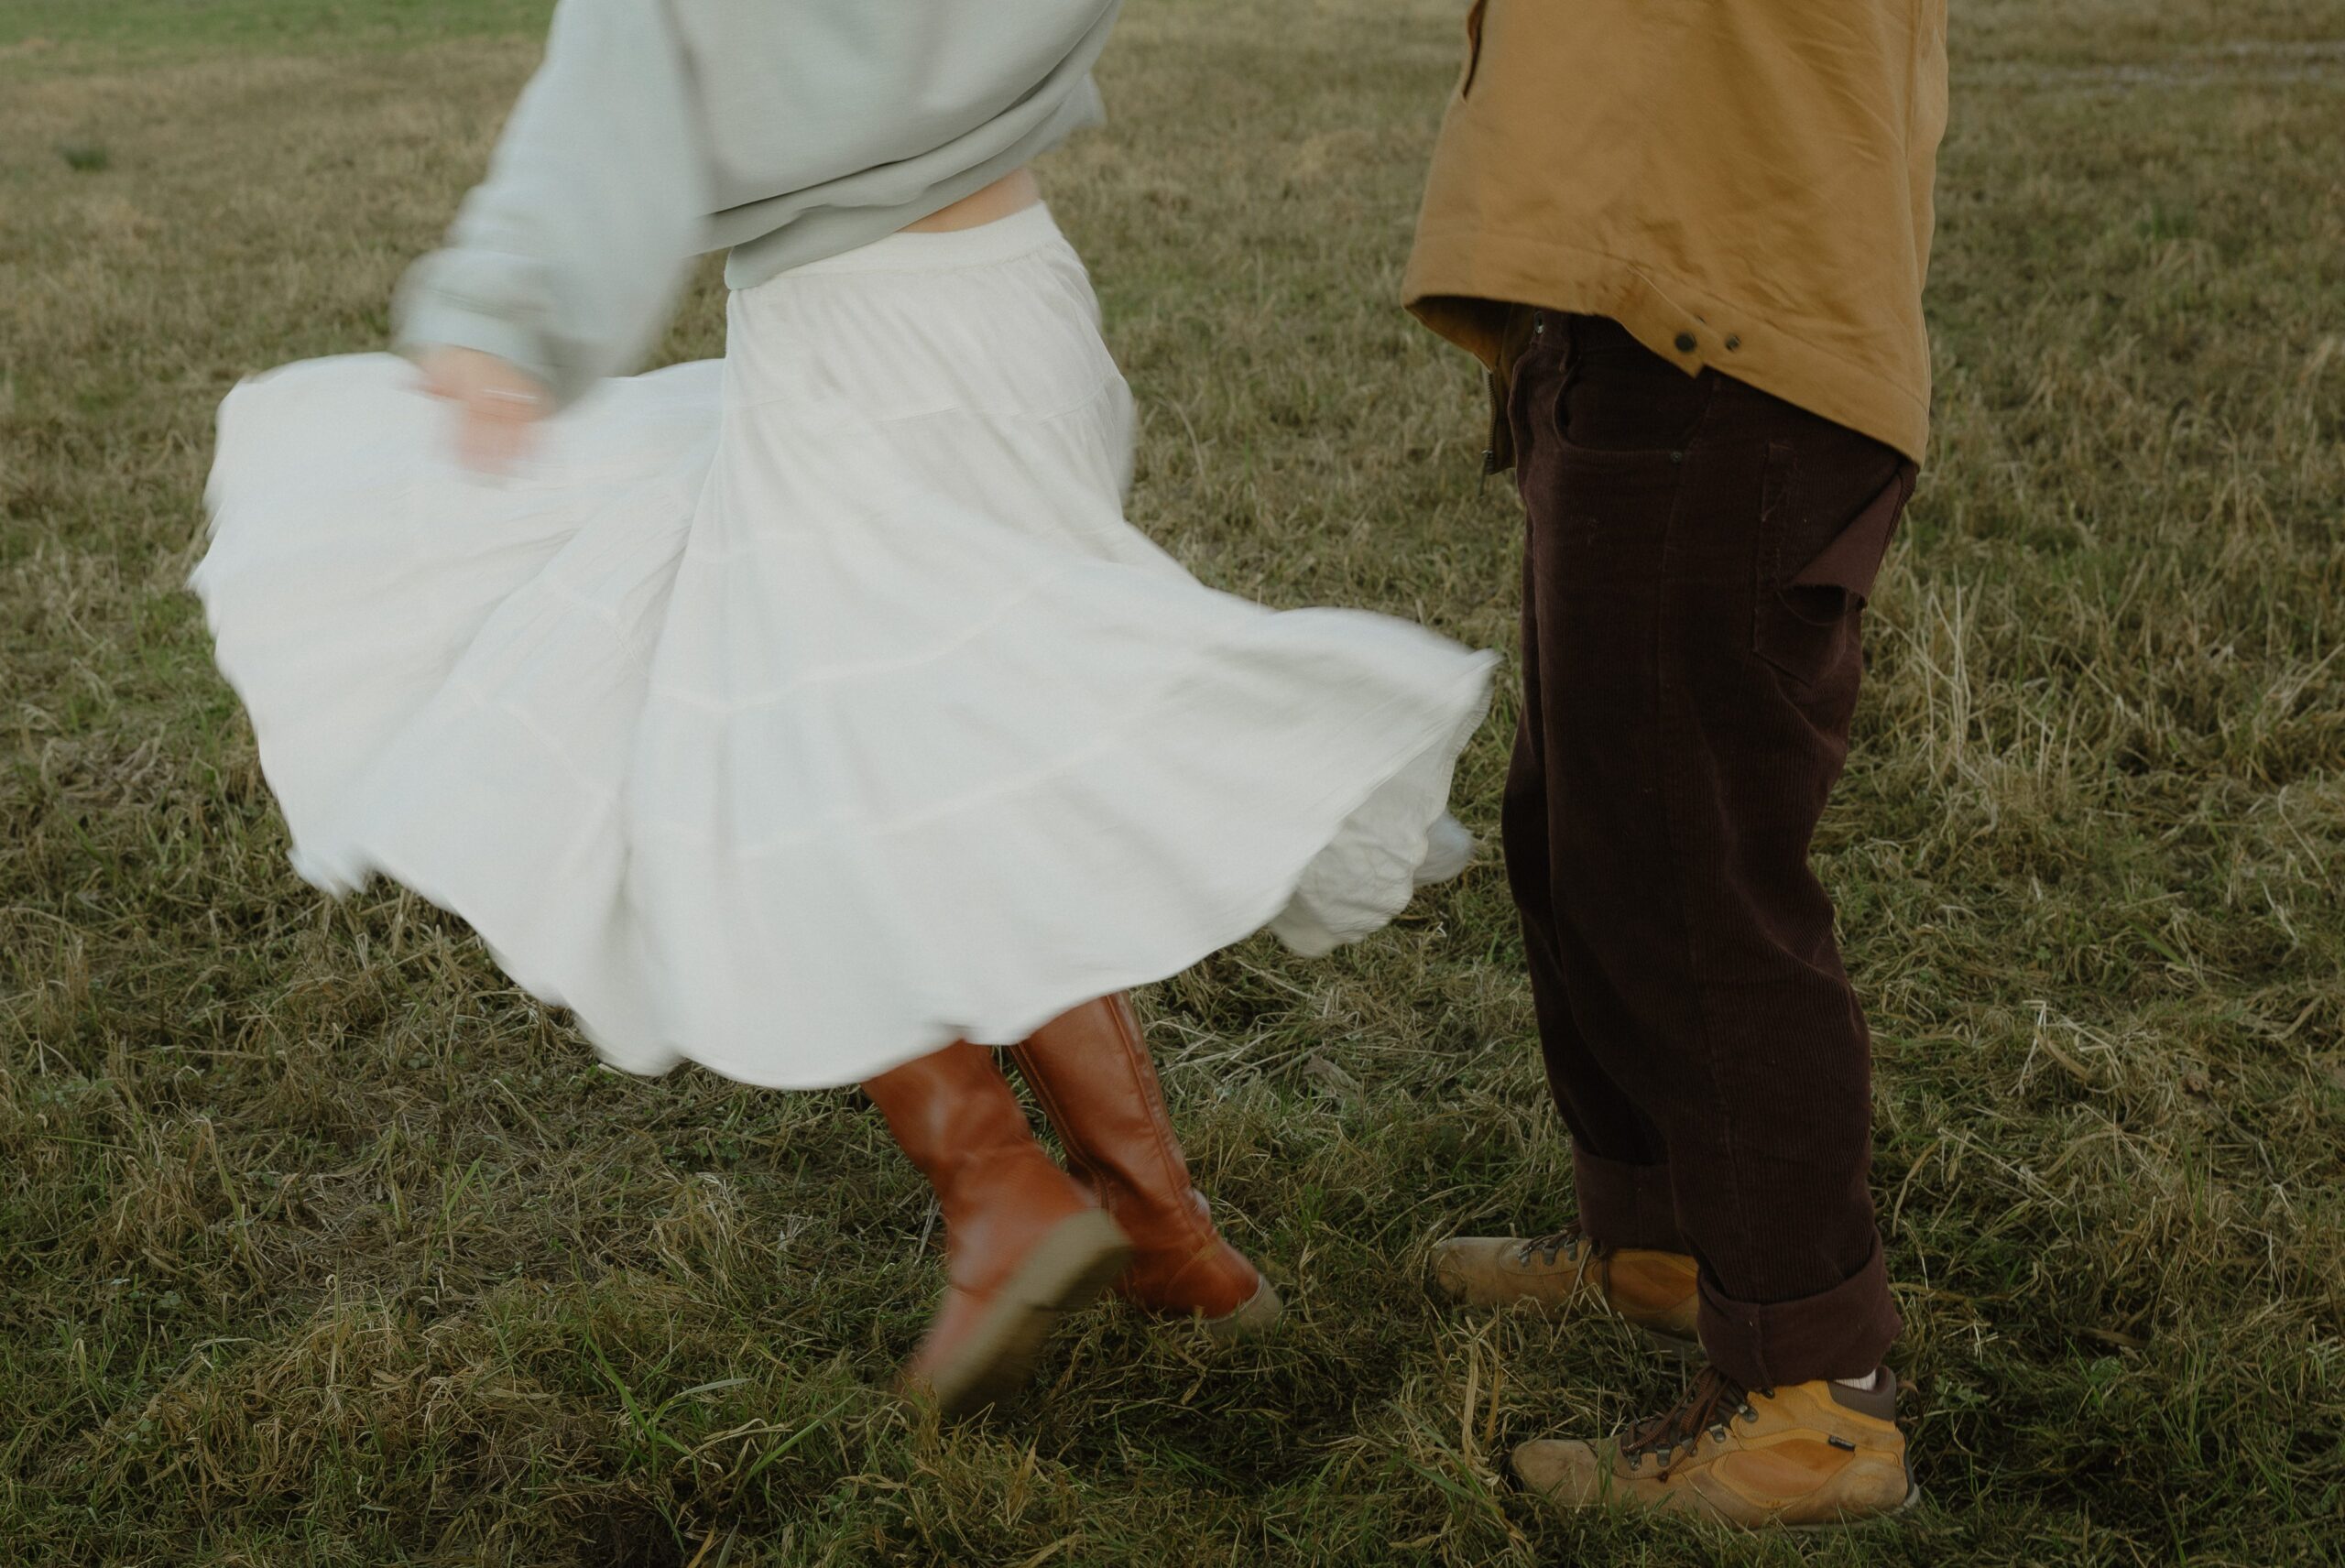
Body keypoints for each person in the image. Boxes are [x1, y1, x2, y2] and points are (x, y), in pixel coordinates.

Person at [193, 0, 1494, 1420]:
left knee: (778, 764)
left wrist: (505, 321)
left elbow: (605, 111)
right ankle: (1161, 1231)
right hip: (1018, 300)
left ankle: (1002, 1189)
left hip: (858, 342)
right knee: (956, 753)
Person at [1400, 0, 1949, 1526]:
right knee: (1578, 827)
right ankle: (1652, 1241)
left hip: (1733, 344)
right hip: (1641, 317)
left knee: (1691, 887)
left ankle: (1815, 1401)